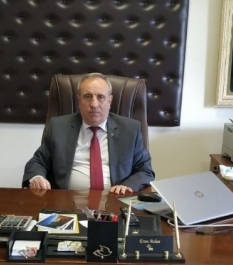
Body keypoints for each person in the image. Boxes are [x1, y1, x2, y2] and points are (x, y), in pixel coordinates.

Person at [22, 73, 154, 195]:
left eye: (100, 97)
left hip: (115, 201)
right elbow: (37, 162)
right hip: (66, 202)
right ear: (79, 100)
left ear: (110, 101)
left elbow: (145, 170)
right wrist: (37, 177)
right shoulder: (59, 127)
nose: (94, 104)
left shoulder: (129, 130)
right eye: (87, 96)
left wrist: (127, 186)